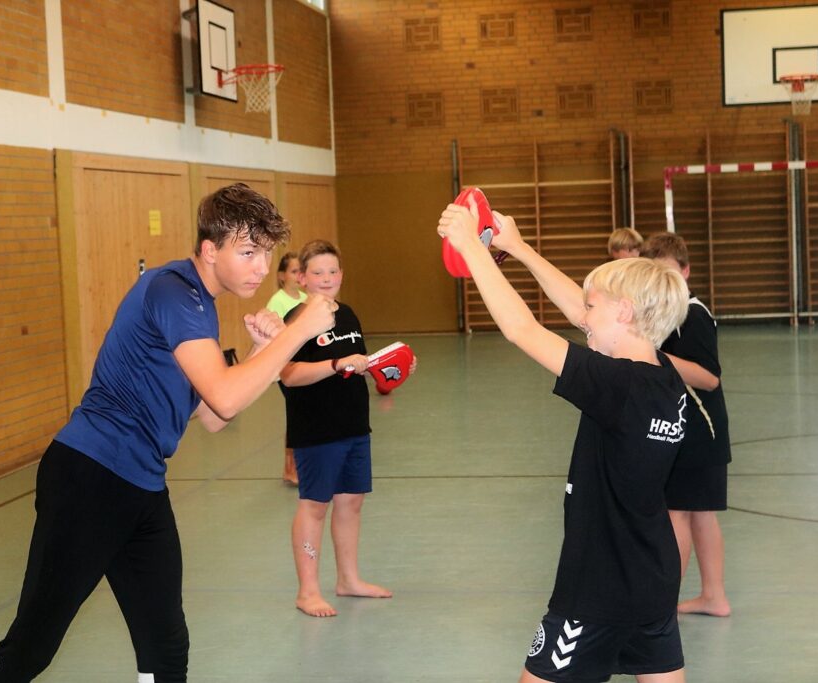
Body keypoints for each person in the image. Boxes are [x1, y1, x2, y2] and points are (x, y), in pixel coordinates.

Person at [0, 184, 339, 683]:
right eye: (248, 252)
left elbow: (214, 415)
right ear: (210, 250)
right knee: (32, 644)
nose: (259, 266)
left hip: (140, 485)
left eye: (266, 253)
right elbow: (226, 397)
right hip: (91, 478)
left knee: (165, 649)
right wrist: (298, 330)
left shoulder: (201, 307)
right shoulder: (173, 290)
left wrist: (258, 356)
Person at [437, 199, 690, 683]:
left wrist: (472, 245)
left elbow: (520, 329)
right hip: (654, 578)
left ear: (624, 312)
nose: (582, 315)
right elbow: (584, 312)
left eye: (592, 308)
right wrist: (518, 247)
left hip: (598, 587)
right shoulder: (665, 377)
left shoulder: (616, 385)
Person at [280, 239, 412, 618]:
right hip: (317, 431)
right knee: (314, 506)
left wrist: (390, 369)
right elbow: (288, 375)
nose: (326, 278)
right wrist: (337, 364)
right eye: (317, 272)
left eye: (333, 271)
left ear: (342, 275)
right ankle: (307, 591)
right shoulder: (297, 321)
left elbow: (359, 366)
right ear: (302, 278)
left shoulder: (348, 314)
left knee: (351, 502)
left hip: (354, 426)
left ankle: (348, 580)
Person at [641, 232, 732, 618]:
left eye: (670, 274)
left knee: (677, 513)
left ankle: (662, 605)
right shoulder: (666, 315)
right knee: (698, 513)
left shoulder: (692, 314)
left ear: (686, 271)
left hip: (699, 433)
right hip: (693, 432)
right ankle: (714, 596)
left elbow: (709, 377)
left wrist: (651, 356)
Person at [266, 252, 307, 485]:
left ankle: (302, 463)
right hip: (286, 367)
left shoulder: (305, 297)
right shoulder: (277, 302)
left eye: (301, 271)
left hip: (304, 363)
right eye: (293, 271)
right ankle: (289, 468)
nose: (297, 276)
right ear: (282, 276)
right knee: (296, 414)